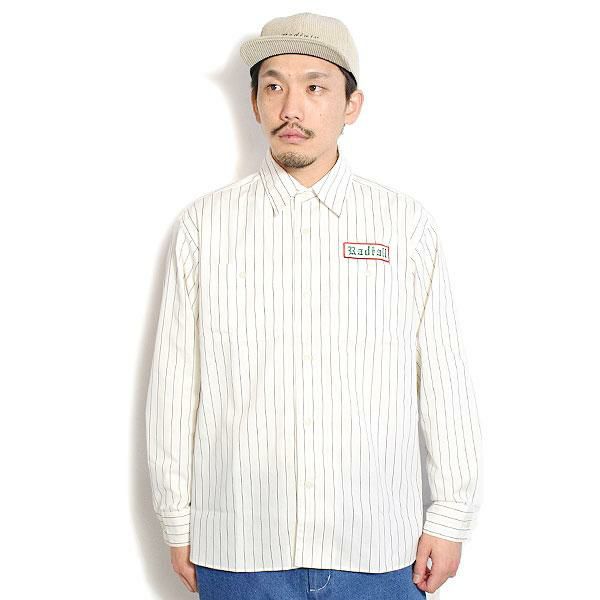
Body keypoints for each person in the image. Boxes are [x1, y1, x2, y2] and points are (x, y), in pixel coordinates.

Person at [145, 11, 483, 599]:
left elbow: (443, 379)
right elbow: (176, 384)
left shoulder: (404, 226)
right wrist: (176, 518)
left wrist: (451, 516)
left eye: (315, 87)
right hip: (239, 548)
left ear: (352, 105)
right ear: (254, 102)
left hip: (379, 550)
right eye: (273, 86)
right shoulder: (206, 226)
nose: (291, 108)